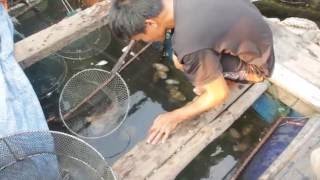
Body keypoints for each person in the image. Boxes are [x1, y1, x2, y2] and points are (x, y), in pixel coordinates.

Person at [108, 0, 275, 144]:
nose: (146, 41)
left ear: (150, 23)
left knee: (189, 65)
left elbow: (219, 95)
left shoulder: (188, 44)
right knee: (183, 56)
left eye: (141, 39)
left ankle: (227, 79)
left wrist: (174, 117)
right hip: (252, 23)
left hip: (258, 62)